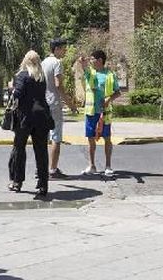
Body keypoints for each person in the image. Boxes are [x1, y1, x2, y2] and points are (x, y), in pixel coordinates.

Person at [8, 50, 51, 197]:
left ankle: (17, 181)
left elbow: (17, 94)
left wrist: (11, 87)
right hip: (42, 116)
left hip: (25, 117)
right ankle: (43, 184)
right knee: (41, 151)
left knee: (19, 148)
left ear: (25, 61)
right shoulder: (41, 77)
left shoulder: (22, 75)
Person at [76, 49, 121, 176]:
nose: (91, 61)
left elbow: (117, 92)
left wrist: (109, 99)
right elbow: (84, 67)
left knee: (107, 138)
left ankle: (108, 166)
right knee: (90, 138)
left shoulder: (110, 75)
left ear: (100, 60)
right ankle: (92, 166)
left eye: (93, 59)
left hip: (104, 112)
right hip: (91, 111)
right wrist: (82, 61)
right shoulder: (90, 72)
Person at [42, 39, 76, 179]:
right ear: (56, 49)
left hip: (43, 103)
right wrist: (70, 104)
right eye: (63, 48)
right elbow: (58, 85)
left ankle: (42, 168)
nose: (65, 51)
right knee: (56, 137)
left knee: (43, 137)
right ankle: (53, 170)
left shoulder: (43, 62)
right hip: (54, 103)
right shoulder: (57, 63)